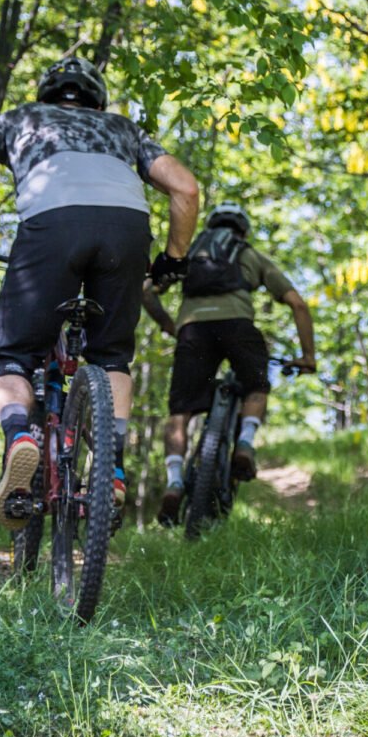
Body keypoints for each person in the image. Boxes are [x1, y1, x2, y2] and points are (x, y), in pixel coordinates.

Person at [0, 55, 198, 530]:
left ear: (49, 92)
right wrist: (173, 257)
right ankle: (108, 468)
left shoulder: (19, 118)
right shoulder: (123, 129)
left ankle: (19, 439)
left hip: (52, 227)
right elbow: (187, 189)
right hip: (127, 232)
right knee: (111, 358)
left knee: (11, 356)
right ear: (97, 97)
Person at [144, 201, 315, 524]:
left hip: (192, 330)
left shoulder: (191, 253)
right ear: (243, 230)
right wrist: (308, 356)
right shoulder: (250, 255)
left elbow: (147, 291)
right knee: (256, 386)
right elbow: (298, 304)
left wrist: (170, 326)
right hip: (238, 325)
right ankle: (246, 444)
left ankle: (175, 482)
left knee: (180, 412)